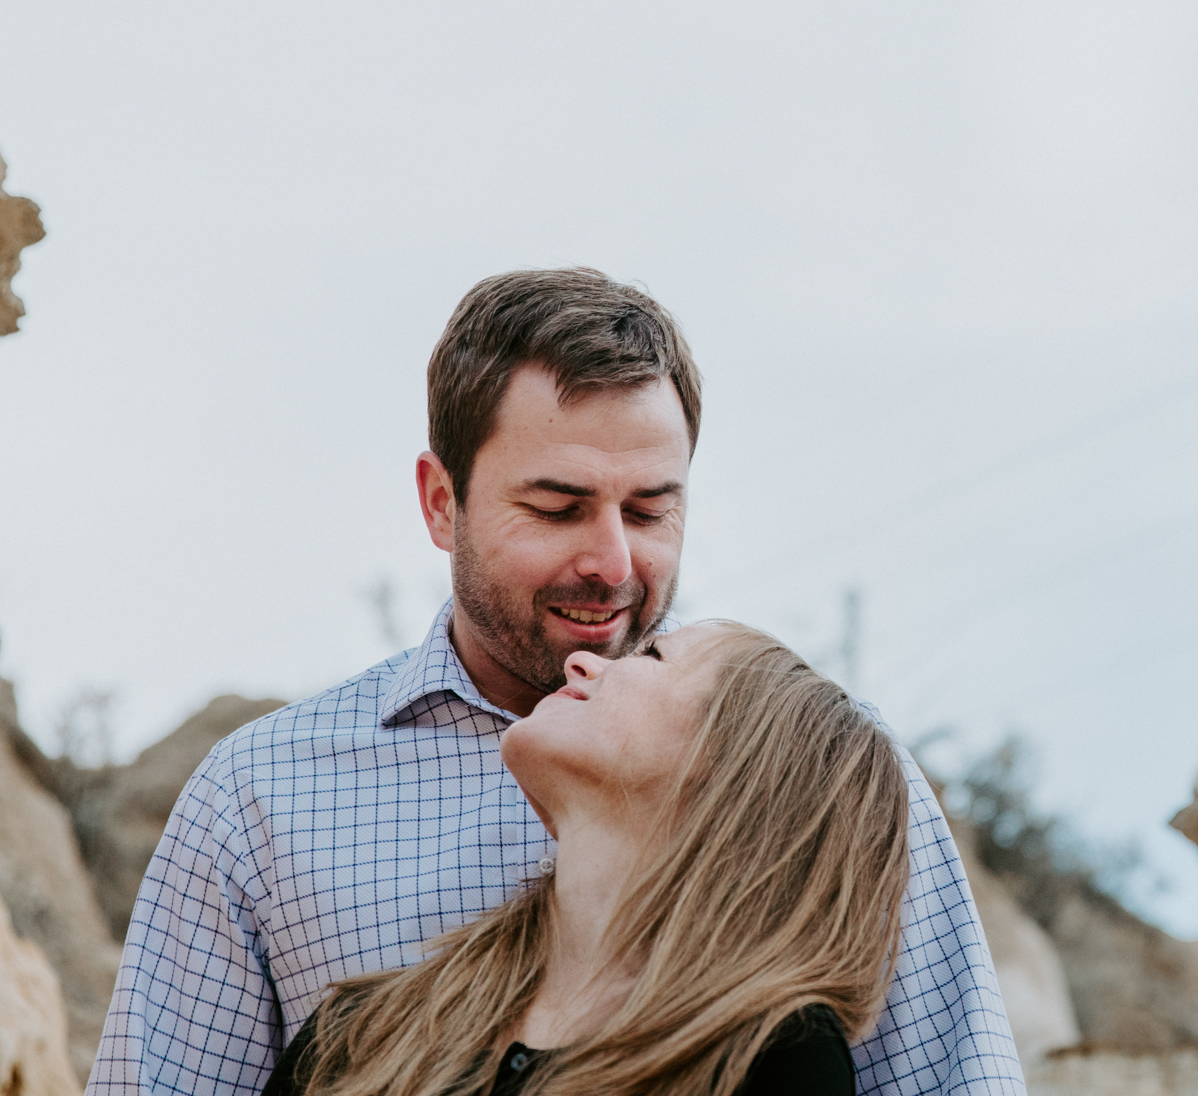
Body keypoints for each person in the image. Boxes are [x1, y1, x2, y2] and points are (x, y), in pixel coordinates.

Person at [88, 270, 1023, 1096]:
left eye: (651, 508)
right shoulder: (262, 797)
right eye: (557, 507)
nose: (611, 562)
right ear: (441, 503)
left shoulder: (815, 774)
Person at [265, 624, 904, 1096]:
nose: (580, 662)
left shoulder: (778, 1061)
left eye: (651, 655)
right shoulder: (356, 1033)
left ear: (740, 764)